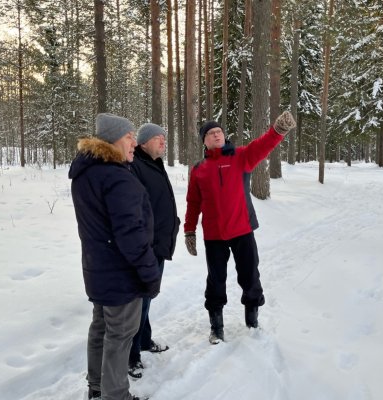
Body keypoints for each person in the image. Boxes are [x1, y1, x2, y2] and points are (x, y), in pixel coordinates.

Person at [184, 111, 296, 344]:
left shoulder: (241, 156)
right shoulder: (198, 169)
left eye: (219, 132)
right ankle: (216, 326)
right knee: (216, 279)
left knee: (250, 275)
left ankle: (252, 318)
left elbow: (262, 146)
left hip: (242, 229)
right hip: (214, 234)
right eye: (211, 133)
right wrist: (189, 230)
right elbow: (193, 202)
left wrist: (278, 131)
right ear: (204, 141)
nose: (216, 135)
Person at [69, 113, 160, 400]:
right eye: (129, 137)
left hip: (98, 269)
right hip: (121, 273)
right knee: (120, 336)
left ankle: (97, 387)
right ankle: (116, 395)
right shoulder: (117, 177)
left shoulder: (88, 171)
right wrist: (149, 271)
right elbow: (131, 234)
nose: (134, 142)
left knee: (101, 328)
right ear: (112, 141)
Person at [127, 123, 180, 378]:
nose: (163, 141)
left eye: (164, 138)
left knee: (146, 299)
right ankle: (131, 356)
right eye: (158, 138)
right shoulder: (134, 164)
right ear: (143, 141)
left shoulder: (154, 164)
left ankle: (145, 341)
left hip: (158, 243)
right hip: (147, 247)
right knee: (141, 302)